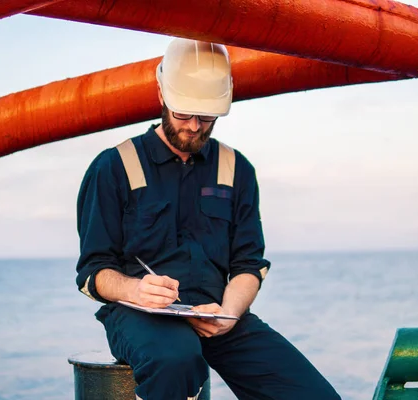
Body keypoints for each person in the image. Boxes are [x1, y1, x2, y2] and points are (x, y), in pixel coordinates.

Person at [75, 37, 340, 400]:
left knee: (312, 395)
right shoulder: (113, 166)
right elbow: (93, 272)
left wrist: (227, 313)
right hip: (142, 318)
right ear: (161, 93)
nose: (195, 127)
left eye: (207, 116)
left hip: (219, 315)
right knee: (177, 360)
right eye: (184, 113)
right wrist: (136, 290)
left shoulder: (236, 169)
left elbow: (248, 264)